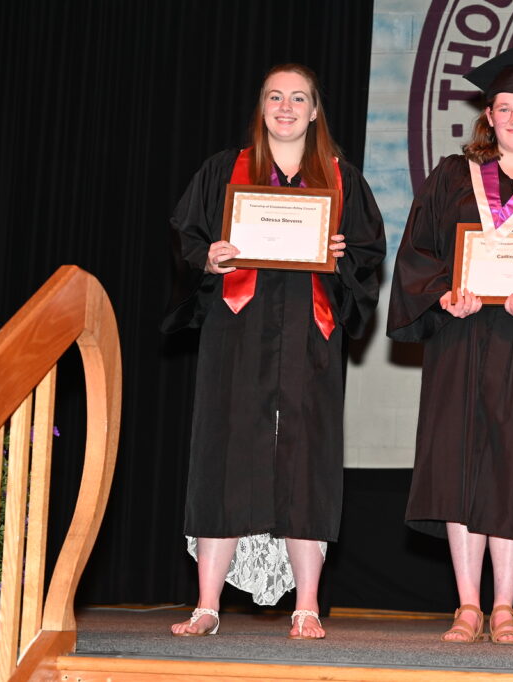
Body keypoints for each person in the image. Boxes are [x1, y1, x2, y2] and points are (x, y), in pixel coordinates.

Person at [162, 63, 385, 639]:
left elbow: (367, 254)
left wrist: (341, 260)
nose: (285, 107)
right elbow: (187, 240)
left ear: (315, 111)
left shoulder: (342, 178)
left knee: (308, 459)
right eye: (274, 97)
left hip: (311, 337)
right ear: (262, 107)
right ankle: (207, 604)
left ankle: (306, 604)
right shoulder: (223, 172)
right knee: (223, 453)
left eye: (298, 98)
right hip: (236, 333)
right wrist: (209, 259)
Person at [387, 46, 513, 645]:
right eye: (506, 107)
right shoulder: (452, 176)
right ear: (489, 116)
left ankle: (505, 606)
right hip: (460, 339)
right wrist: (445, 293)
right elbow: (417, 253)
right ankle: (467, 605)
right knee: (456, 467)